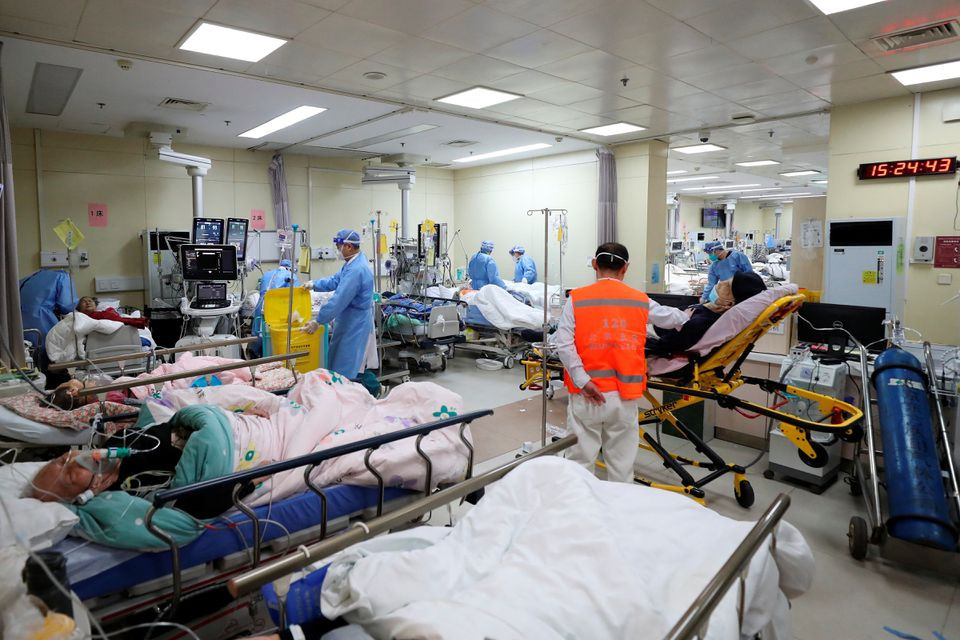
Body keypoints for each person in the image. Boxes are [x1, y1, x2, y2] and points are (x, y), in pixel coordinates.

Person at [554, 242, 691, 483]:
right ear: (625, 268)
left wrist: (583, 380)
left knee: (579, 465)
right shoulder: (639, 300)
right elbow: (673, 318)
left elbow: (563, 344)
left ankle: (579, 514)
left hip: (587, 394)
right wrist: (690, 314)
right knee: (621, 467)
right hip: (624, 397)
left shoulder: (577, 299)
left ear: (595, 264)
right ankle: (618, 514)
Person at [302, 229, 374, 381]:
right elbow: (335, 281)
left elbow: (339, 299)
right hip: (348, 319)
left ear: (348, 246)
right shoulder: (352, 263)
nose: (337, 250)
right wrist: (313, 284)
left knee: (345, 364)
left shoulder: (357, 269)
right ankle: (337, 392)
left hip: (355, 322)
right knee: (336, 359)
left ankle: (344, 396)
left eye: (338, 247)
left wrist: (318, 320)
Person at [646, 272, 766, 356]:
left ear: (729, 304)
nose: (721, 282)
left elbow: (664, 345)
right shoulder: (708, 309)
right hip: (654, 321)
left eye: (727, 286)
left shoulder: (702, 323)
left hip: (649, 332)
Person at [249, 259, 299, 357]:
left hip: (261, 306)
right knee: (272, 335)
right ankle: (271, 355)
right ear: (290, 268)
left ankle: (256, 354)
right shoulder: (291, 276)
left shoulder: (267, 274)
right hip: (276, 307)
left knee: (259, 331)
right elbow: (295, 296)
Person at [19, 269, 78, 347]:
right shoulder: (62, 277)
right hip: (41, 320)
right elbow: (67, 305)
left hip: (19, 321)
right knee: (47, 353)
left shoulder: (27, 278)